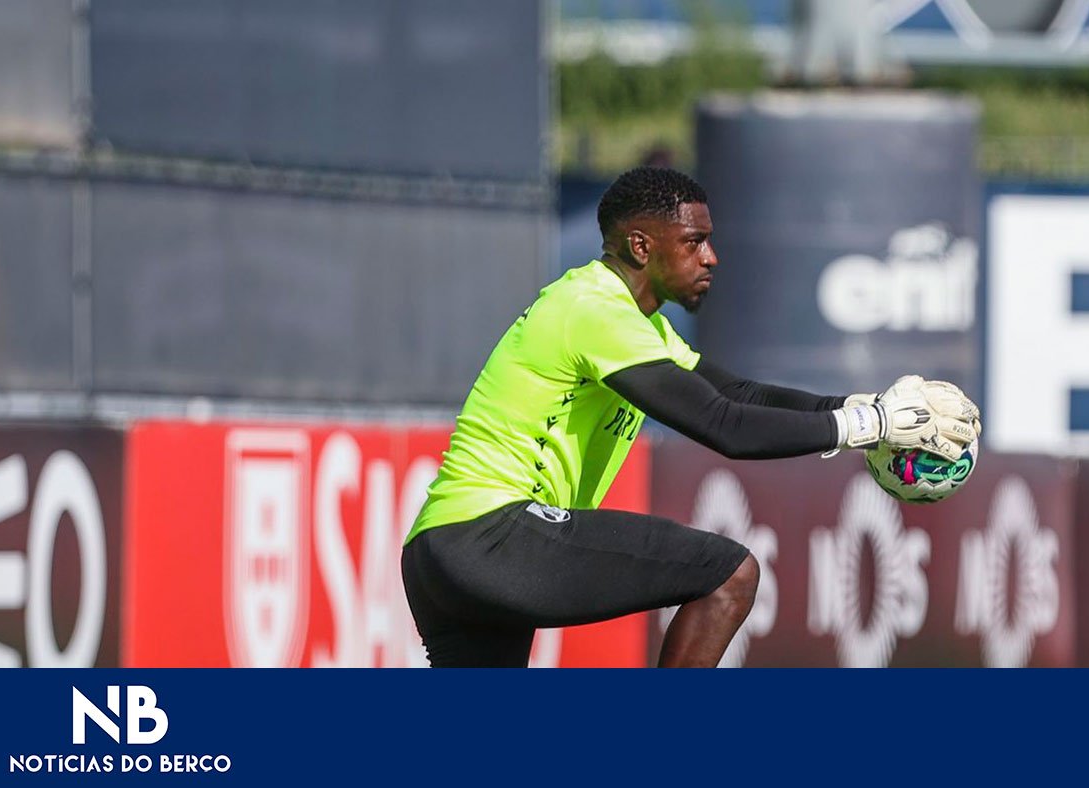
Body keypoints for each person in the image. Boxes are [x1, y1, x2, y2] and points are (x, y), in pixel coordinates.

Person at [401, 166, 980, 667]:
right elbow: (723, 426)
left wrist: (857, 407)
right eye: (694, 241)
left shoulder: (634, 322)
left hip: (439, 552)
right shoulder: (593, 310)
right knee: (728, 574)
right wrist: (869, 429)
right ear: (641, 246)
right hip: (494, 536)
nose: (711, 257)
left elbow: (741, 393)